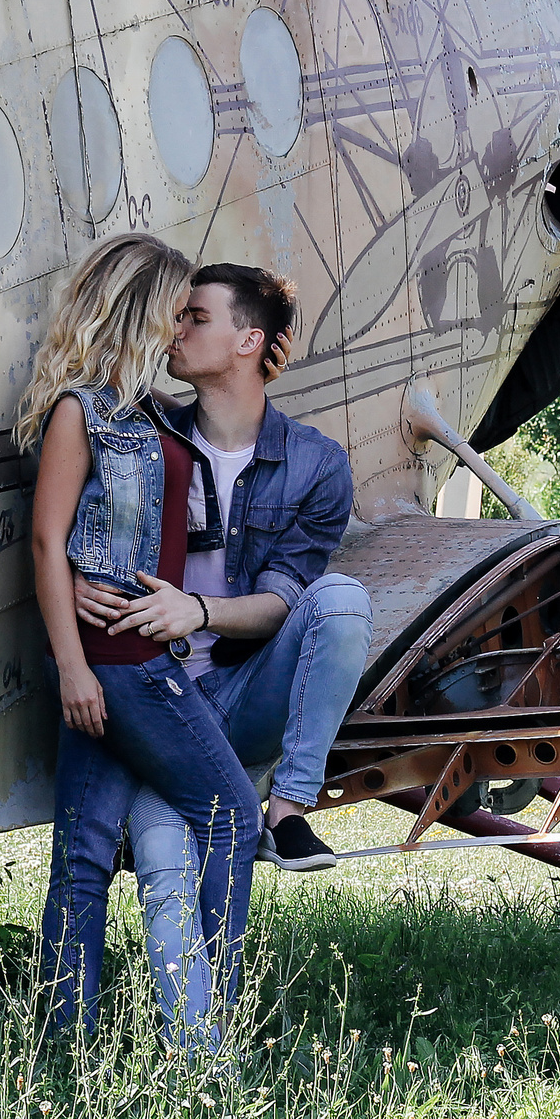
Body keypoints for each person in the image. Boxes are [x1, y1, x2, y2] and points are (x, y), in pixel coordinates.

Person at [26, 234, 258, 1048]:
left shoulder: (153, 412)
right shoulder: (78, 411)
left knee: (85, 855)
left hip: (135, 658)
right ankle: (216, 1029)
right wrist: (71, 668)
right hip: (120, 667)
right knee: (234, 812)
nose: (177, 327)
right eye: (173, 310)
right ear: (139, 306)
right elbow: (48, 543)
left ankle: (65, 1052)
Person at [76, 264, 373, 872]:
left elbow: (283, 604)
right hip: (156, 697)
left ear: (249, 341)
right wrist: (82, 575)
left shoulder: (316, 465)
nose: (177, 329)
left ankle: (287, 809)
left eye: (195, 317)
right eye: (177, 316)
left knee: (341, 599)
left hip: (243, 691)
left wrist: (199, 612)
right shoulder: (141, 432)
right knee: (166, 881)